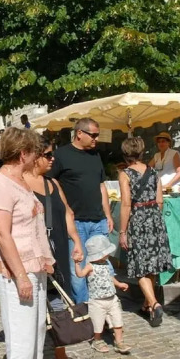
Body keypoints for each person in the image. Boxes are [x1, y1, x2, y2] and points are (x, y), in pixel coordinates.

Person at [0, 127, 55, 359]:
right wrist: (21, 276)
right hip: (17, 270)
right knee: (20, 336)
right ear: (23, 153)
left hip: (33, 266)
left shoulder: (21, 180)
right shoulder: (1, 184)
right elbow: (2, 234)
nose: (38, 157)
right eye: (35, 152)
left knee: (33, 330)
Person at [24, 136, 85, 359]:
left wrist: (76, 241)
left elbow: (68, 213)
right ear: (34, 155)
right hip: (33, 254)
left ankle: (60, 356)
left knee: (58, 305)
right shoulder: (20, 183)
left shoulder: (53, 183)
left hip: (57, 251)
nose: (53, 159)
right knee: (32, 308)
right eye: (48, 155)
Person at [48, 117, 114, 304]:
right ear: (79, 133)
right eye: (93, 135)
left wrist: (108, 214)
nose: (96, 139)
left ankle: (103, 307)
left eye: (97, 135)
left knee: (103, 267)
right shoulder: (61, 155)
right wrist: (65, 207)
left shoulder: (95, 155)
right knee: (77, 269)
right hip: (75, 223)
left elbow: (101, 186)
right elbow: (51, 182)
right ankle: (84, 309)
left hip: (98, 220)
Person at [119, 136, 172, 327]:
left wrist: (122, 231)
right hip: (154, 218)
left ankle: (154, 304)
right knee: (152, 263)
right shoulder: (153, 172)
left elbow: (126, 204)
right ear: (142, 152)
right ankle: (147, 304)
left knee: (140, 266)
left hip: (138, 218)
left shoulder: (125, 174)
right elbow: (160, 201)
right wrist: (153, 218)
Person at [75, 235, 132, 354]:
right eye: (106, 252)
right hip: (97, 301)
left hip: (112, 298)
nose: (108, 254)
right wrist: (77, 264)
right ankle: (97, 340)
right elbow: (80, 275)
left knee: (117, 320)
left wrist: (119, 284)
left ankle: (119, 341)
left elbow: (110, 277)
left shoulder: (106, 264)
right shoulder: (90, 266)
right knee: (98, 323)